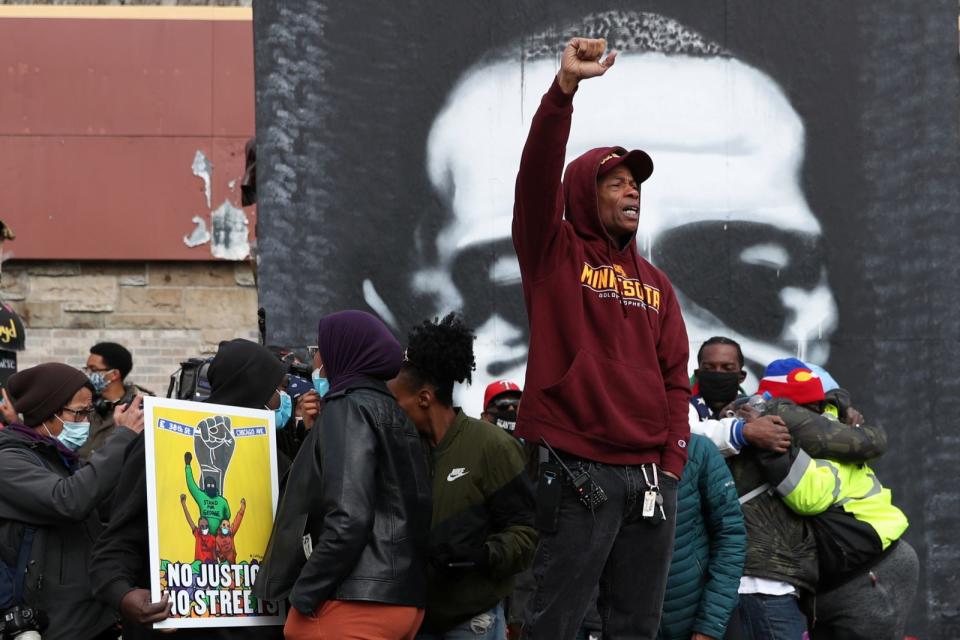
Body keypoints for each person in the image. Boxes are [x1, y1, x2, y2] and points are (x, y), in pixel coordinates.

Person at [507, 36, 689, 639]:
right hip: (576, 463)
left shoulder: (657, 284)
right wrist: (564, 92)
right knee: (555, 622)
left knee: (638, 626)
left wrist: (670, 467)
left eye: (636, 184)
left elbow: (674, 381)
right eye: (615, 183)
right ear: (585, 194)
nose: (632, 190)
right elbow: (536, 176)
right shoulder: (552, 251)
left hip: (646, 476)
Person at [91, 338, 287, 640]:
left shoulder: (277, 457)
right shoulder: (159, 444)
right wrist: (123, 594)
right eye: (276, 389)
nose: (281, 398)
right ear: (256, 388)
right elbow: (119, 539)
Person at [254, 310, 433, 640]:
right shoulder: (395, 413)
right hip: (402, 599)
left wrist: (305, 593)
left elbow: (349, 517)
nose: (316, 359)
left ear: (345, 351)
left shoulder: (347, 407)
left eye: (319, 348)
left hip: (354, 600)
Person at [388, 313, 537, 639]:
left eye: (396, 402)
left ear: (424, 398)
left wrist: (480, 555)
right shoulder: (403, 452)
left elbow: (526, 532)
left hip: (472, 623)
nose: (391, 411)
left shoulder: (492, 446)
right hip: (414, 622)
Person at [720, 358, 889, 640]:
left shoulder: (755, 416)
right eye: (813, 409)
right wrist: (851, 422)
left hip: (762, 581)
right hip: (764, 583)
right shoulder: (781, 414)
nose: (819, 415)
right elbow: (871, 443)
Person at [751, 359, 917, 640]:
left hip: (871, 573)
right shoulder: (826, 435)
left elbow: (808, 498)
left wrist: (770, 446)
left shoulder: (828, 443)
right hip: (844, 576)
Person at [0, 362, 144, 640]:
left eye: (89, 413)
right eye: (78, 414)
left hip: (93, 619)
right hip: (54, 626)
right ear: (45, 413)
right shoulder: (9, 460)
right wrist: (123, 437)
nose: (85, 423)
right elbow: (68, 500)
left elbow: (103, 503)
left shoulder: (59, 456)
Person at [657, 433, 746, 640]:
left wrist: (711, 624)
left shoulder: (698, 450)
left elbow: (731, 537)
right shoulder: (606, 455)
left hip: (699, 620)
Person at [689, 337, 792, 457]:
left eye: (727, 368)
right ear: (697, 374)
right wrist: (744, 431)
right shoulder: (682, 404)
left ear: (741, 376)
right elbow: (687, 433)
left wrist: (756, 423)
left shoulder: (757, 409)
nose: (718, 373)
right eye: (709, 368)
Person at [80, 341, 149, 460]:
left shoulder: (139, 410)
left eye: (93, 369)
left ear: (114, 374)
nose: (88, 374)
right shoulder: (85, 404)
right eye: (86, 369)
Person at [179, 494, 216, 563]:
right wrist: (183, 504)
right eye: (202, 526)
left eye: (206, 525)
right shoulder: (197, 534)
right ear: (199, 527)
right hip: (198, 566)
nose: (204, 527)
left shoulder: (212, 538)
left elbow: (214, 554)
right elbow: (189, 520)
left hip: (210, 567)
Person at [215, 497, 245, 564]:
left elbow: (237, 521)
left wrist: (242, 509)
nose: (225, 527)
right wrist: (221, 556)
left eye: (228, 526)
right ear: (220, 526)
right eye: (224, 525)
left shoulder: (230, 533)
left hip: (233, 562)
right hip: (224, 564)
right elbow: (217, 550)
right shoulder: (217, 538)